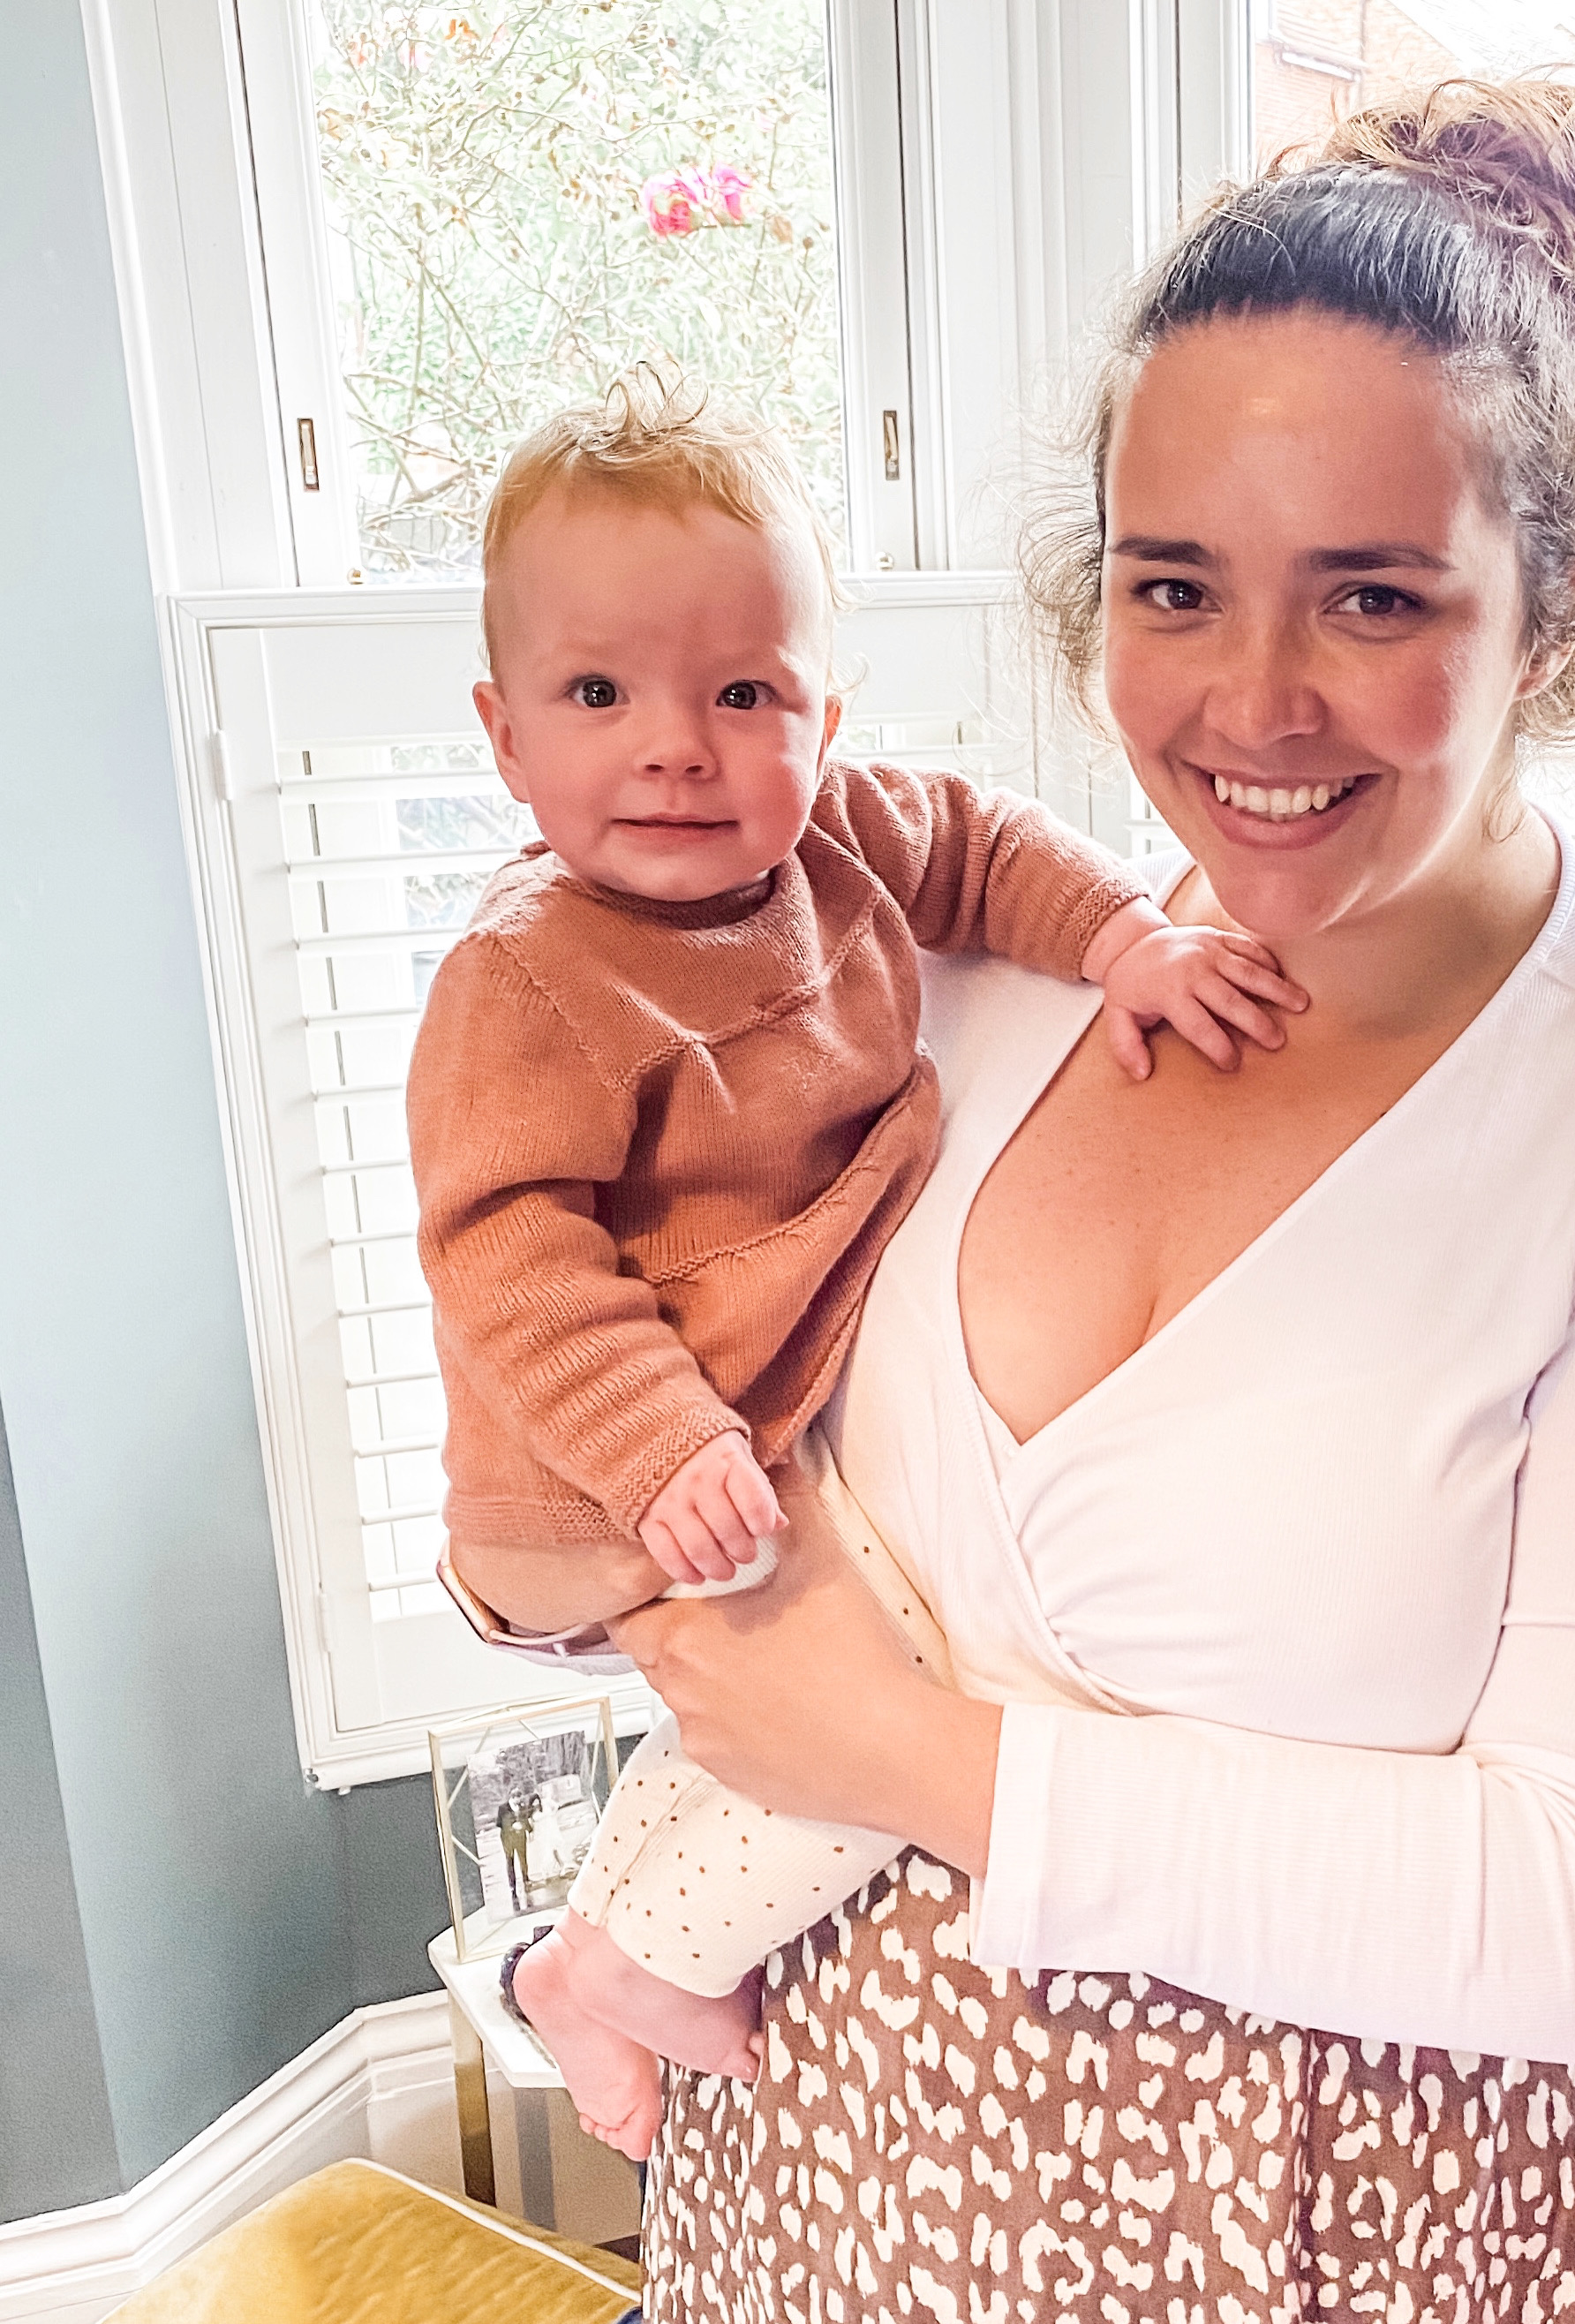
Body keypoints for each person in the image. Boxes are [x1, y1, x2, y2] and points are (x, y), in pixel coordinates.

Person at [597, 77, 1575, 2324]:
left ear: (1549, 605)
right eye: (1174, 585)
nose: (1251, 700)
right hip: (846, 2273)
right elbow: (757, 1497)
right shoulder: (970, 994)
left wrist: (931, 1764)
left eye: (1375, 598)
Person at [409, 374, 1303, 2156]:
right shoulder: (528, 979)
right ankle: (641, 1962)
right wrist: (660, 1447)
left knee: (788, 1686)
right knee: (897, 1665)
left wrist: (1125, 942)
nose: (676, 745)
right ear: (507, 742)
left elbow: (983, 851)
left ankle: (590, 1953)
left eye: (743, 695)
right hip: (589, 1458)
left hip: (740, 1416)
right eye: (601, 696)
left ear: (825, 709)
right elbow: (506, 1254)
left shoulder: (840, 844)